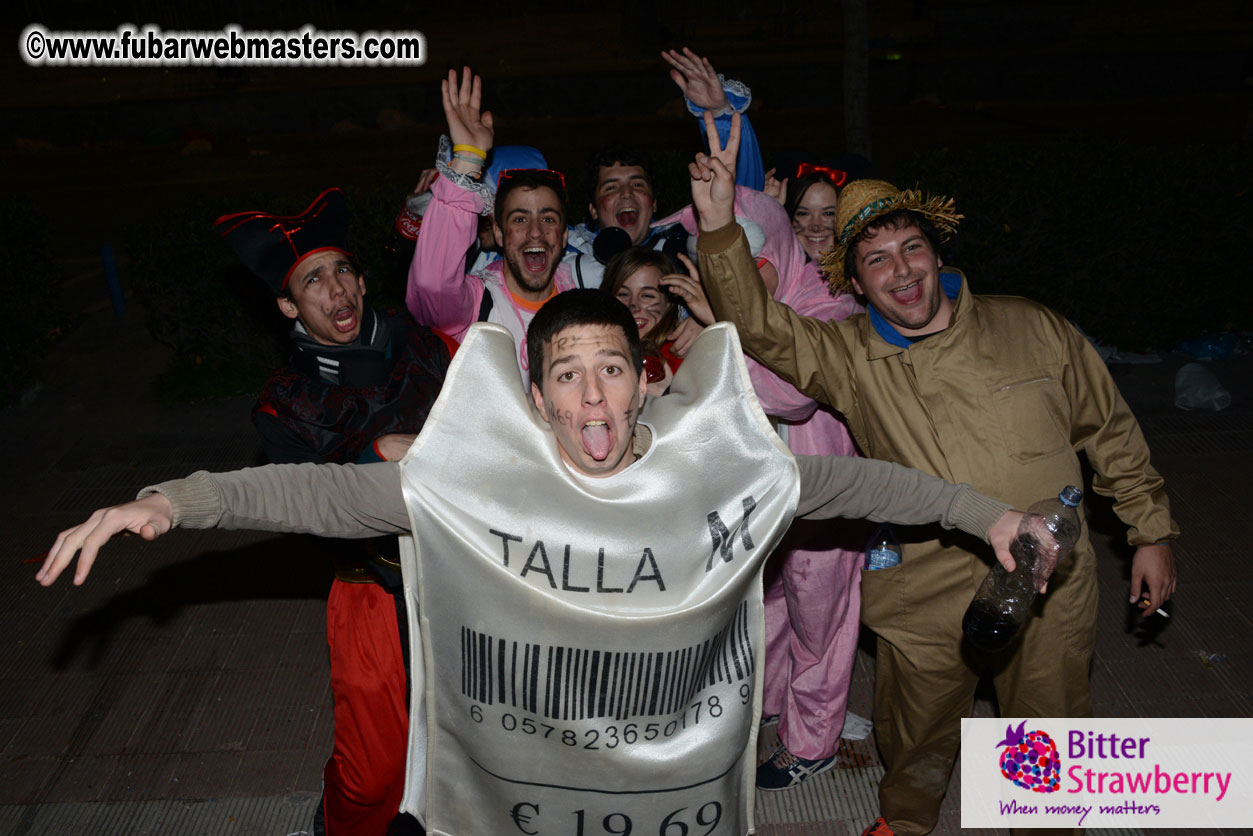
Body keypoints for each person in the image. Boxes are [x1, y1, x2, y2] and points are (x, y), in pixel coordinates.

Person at [40, 289, 1037, 836]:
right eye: (568, 373)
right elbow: (317, 494)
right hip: (530, 782)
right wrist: (173, 502)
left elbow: (860, 485)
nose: (593, 395)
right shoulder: (478, 482)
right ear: (537, 395)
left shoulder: (722, 474)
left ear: (641, 385)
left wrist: (982, 515)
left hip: (664, 791)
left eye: (611, 367)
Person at [690, 116, 1178, 836]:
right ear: (854, 282)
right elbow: (758, 326)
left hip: (1048, 577)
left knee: (1046, 722)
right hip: (924, 584)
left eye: (910, 247)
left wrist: (1150, 532)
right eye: (876, 260)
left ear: (933, 251)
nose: (901, 271)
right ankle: (904, 821)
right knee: (913, 731)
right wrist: (719, 226)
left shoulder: (1030, 325)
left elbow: (1107, 429)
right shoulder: (847, 357)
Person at [214, 187, 452, 836]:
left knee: (465, 750)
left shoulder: (424, 348)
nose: (336, 289)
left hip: (460, 580)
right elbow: (318, 507)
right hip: (372, 593)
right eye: (313, 280)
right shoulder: (283, 404)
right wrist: (379, 455)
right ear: (289, 304)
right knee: (372, 772)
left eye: (342, 269)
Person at [406, 68, 576, 381]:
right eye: (520, 219)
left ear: (565, 235)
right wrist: (468, 160)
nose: (535, 232)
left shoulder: (583, 292)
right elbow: (432, 287)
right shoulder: (476, 303)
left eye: (548, 219)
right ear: (498, 232)